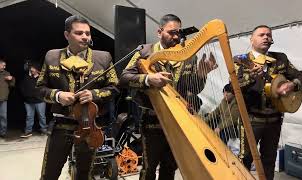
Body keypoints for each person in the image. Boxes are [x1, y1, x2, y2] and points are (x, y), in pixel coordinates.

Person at [120, 14, 216, 180]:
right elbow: (124, 78)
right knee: (149, 169)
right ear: (159, 32)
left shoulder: (188, 56)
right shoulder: (144, 51)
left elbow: (192, 88)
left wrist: (201, 75)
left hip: (179, 122)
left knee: (170, 167)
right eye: (171, 32)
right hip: (152, 121)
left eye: (178, 32)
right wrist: (149, 79)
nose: (176, 37)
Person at [37, 15, 119, 180]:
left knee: (84, 175)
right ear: (67, 35)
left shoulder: (103, 58)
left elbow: (115, 88)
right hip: (61, 125)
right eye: (79, 33)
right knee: (49, 174)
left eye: (87, 33)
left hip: (91, 128)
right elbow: (39, 88)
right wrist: (58, 95)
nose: (85, 37)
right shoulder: (51, 56)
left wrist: (94, 94)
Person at [234, 25, 302, 180]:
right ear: (251, 39)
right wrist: (251, 78)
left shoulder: (280, 58)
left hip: (275, 120)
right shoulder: (241, 60)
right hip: (251, 120)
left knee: (269, 159)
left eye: (268, 34)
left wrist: (292, 85)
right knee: (245, 159)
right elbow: (234, 87)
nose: (266, 37)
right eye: (261, 34)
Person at [20, 63, 47, 138]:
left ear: (36, 69)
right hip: (28, 101)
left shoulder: (41, 78)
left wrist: (39, 76)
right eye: (30, 69)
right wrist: (25, 95)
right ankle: (28, 131)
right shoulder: (26, 77)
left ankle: (44, 130)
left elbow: (45, 88)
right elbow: (22, 87)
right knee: (29, 116)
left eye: (32, 68)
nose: (31, 70)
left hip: (40, 101)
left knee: (41, 116)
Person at [0, 58, 15, 138]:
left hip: (3, 99)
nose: (4, 67)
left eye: (5, 65)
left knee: (3, 116)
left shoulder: (6, 73)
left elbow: (12, 85)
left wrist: (11, 79)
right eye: (3, 65)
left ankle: (2, 133)